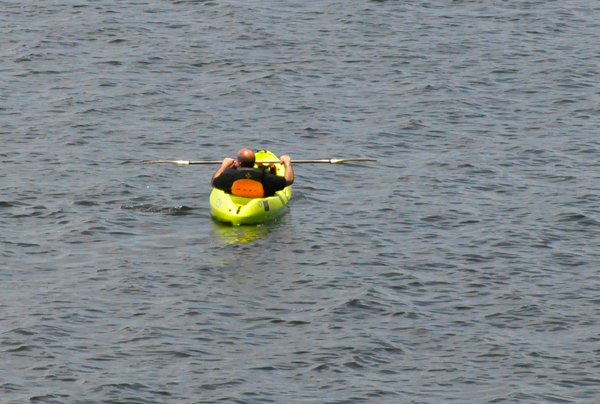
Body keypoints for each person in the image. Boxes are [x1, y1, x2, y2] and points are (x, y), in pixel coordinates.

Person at [212, 148, 294, 197]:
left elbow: (214, 182)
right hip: (259, 199)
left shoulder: (230, 174)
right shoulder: (265, 177)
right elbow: (289, 180)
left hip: (236, 197)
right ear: (254, 162)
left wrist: (224, 165)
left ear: (239, 163)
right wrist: (287, 163)